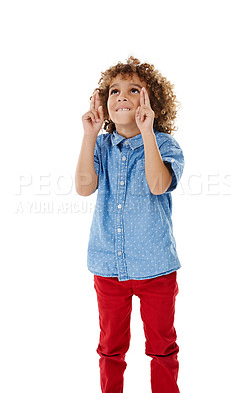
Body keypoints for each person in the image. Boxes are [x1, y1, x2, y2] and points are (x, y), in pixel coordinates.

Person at [75, 56, 185, 393]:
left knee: (162, 346)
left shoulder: (165, 144)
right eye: (114, 91)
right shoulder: (101, 146)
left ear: (153, 102)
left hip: (156, 269)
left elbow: (157, 184)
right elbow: (83, 187)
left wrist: (147, 131)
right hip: (108, 266)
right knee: (110, 347)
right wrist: (89, 135)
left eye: (133, 90)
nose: (121, 96)